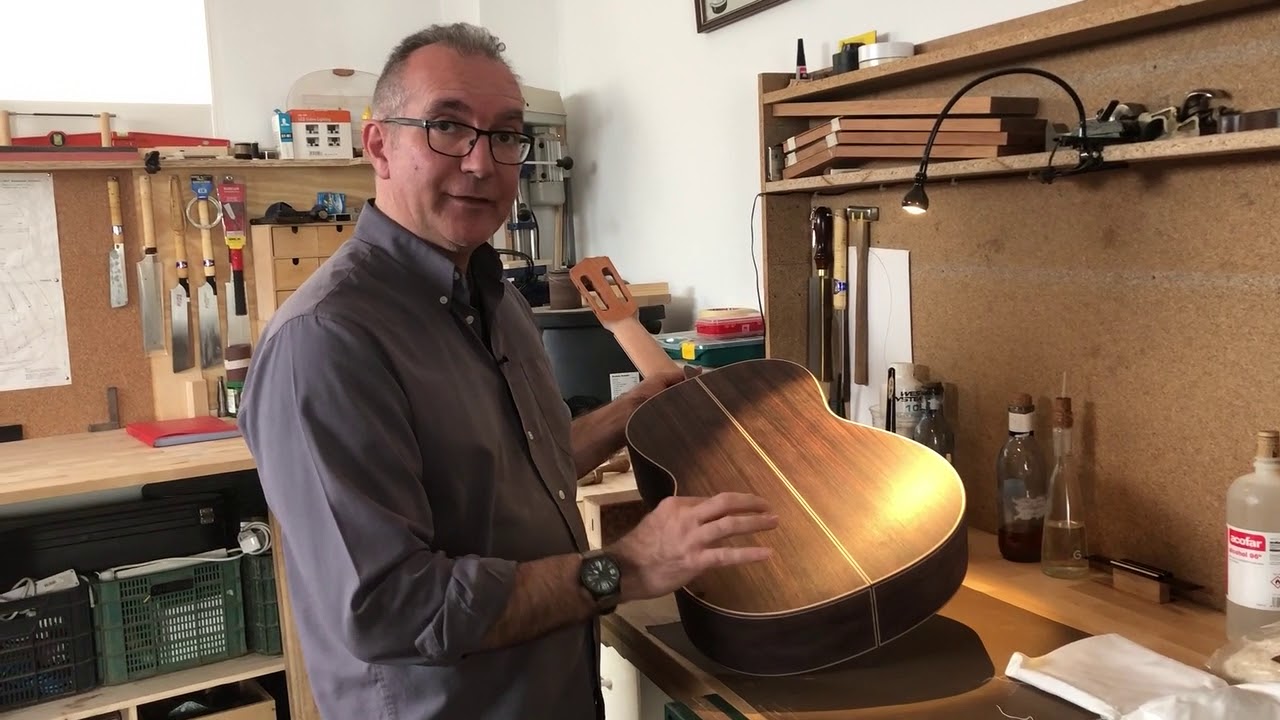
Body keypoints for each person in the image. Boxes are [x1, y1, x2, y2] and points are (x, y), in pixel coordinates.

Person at [237, 22, 778, 720]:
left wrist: (632, 412)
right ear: (379, 145)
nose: (479, 162)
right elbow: (390, 610)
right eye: (447, 128)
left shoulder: (494, 298)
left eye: (505, 135)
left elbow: (512, 471)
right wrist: (629, 566)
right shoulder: (327, 342)